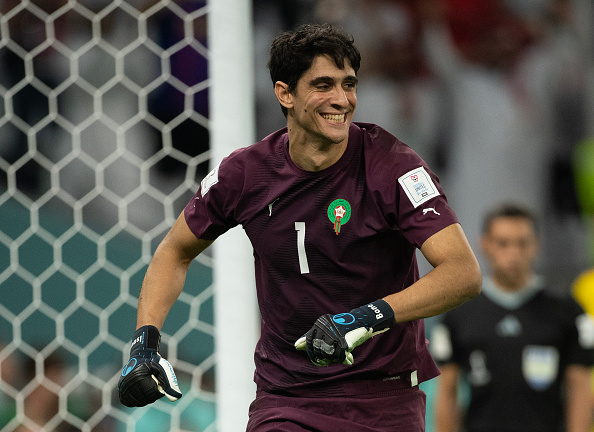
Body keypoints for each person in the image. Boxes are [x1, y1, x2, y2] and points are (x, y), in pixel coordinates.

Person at [117, 23, 482, 431]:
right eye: (323, 85)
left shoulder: (394, 167)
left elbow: (462, 272)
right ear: (285, 94)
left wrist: (363, 318)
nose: (342, 100)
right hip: (287, 399)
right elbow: (174, 251)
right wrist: (144, 344)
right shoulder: (245, 174)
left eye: (349, 85)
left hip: (383, 398)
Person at [431, 203, 594, 432]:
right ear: (484, 244)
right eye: (503, 243)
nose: (513, 253)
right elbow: (447, 392)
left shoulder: (566, 311)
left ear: (536, 245)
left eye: (522, 243)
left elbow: (579, 388)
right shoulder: (459, 314)